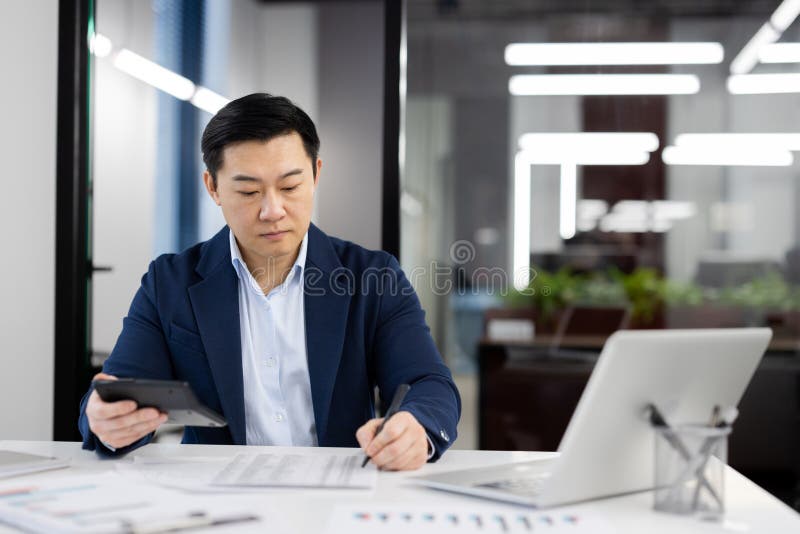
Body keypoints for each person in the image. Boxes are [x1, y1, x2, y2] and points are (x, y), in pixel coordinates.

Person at [78, 93, 461, 470]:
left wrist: (416, 428)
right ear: (213, 187)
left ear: (316, 175)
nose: (272, 210)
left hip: (342, 489)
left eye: (290, 187)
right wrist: (106, 421)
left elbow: (428, 383)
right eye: (248, 192)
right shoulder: (170, 283)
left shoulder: (373, 277)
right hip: (215, 496)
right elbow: (118, 391)